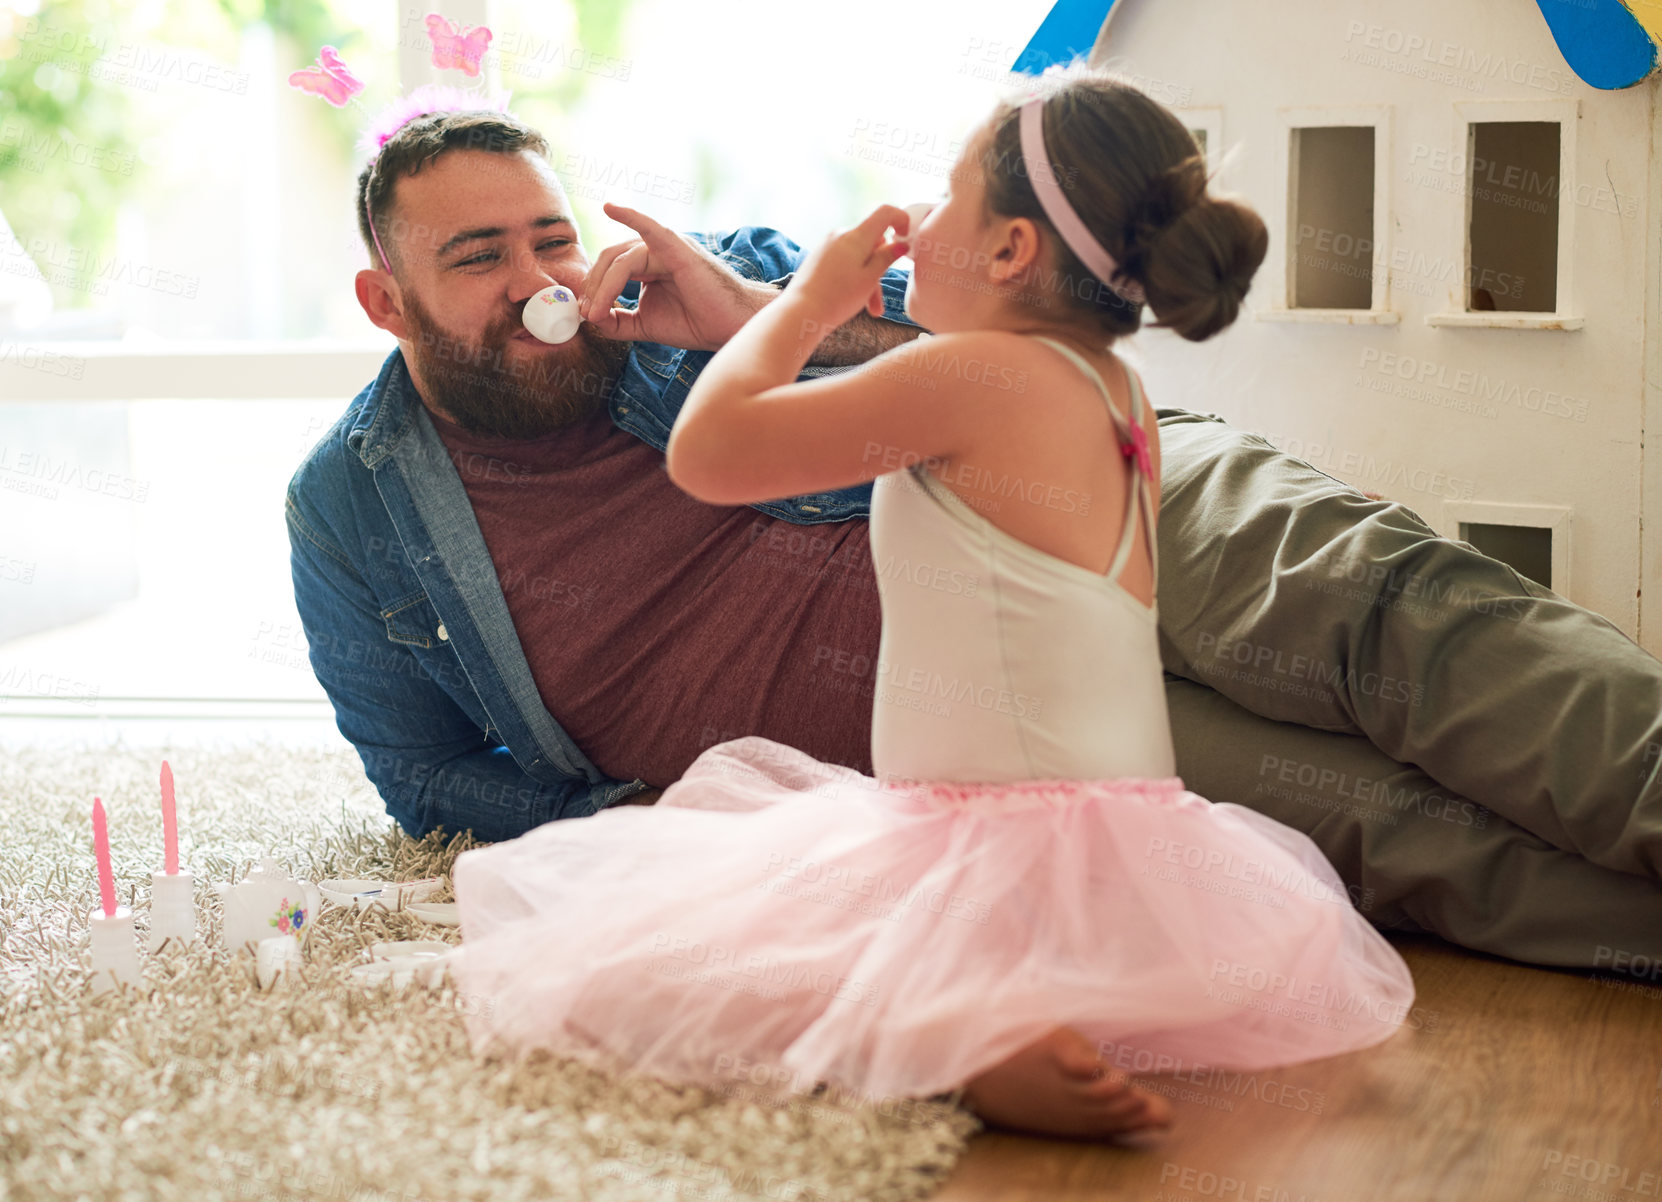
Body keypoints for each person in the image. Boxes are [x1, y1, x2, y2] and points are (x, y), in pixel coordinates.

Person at [285, 91, 1662, 985]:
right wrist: (657, 828)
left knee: (1385, 615)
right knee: (1380, 834)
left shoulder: (710, 284)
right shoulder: (351, 505)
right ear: (382, 298)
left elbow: (997, 314)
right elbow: (425, 772)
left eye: (548, 236)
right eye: (477, 260)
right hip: (978, 758)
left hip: (1072, 496)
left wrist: (749, 312)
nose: (541, 285)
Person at [444, 71, 1418, 1142]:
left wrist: (811, 299)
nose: (916, 224)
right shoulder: (1107, 383)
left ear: (1009, 252)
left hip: (987, 843)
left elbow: (709, 451)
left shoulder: (970, 374)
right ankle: (1001, 1019)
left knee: (653, 971)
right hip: (1129, 846)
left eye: (948, 199)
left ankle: (966, 1042)